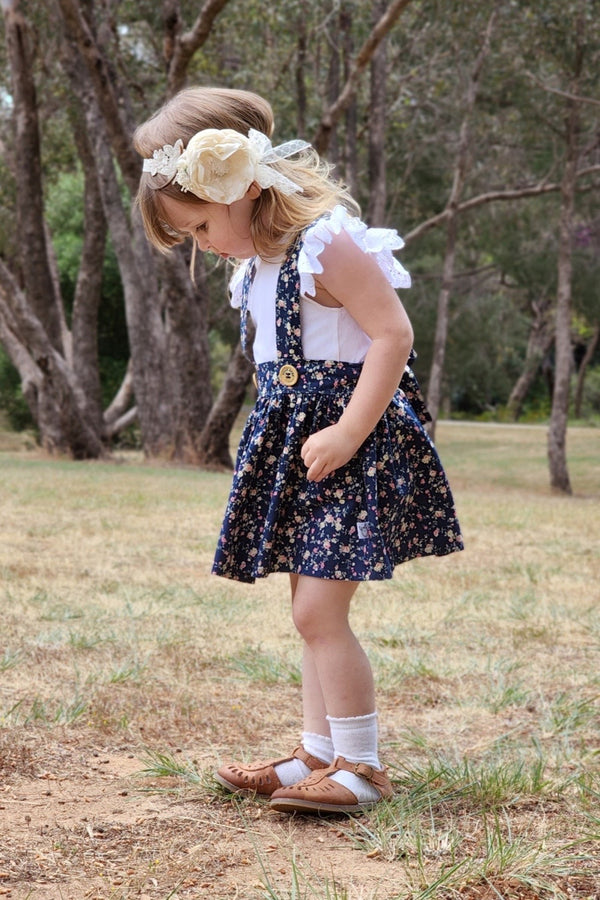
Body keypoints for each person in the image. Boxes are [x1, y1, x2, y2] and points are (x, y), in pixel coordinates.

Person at [134, 86, 463, 815]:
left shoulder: (327, 242)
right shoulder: (256, 264)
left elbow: (393, 336)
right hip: (298, 448)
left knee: (320, 612)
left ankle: (361, 767)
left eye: (200, 226)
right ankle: (316, 754)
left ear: (244, 188)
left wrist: (347, 430)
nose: (204, 244)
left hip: (354, 443)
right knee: (305, 609)